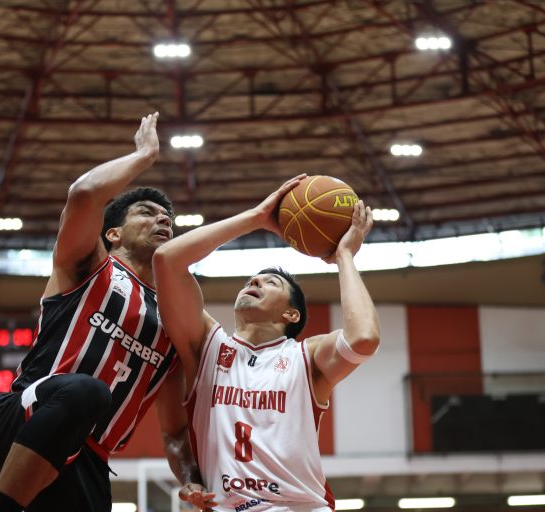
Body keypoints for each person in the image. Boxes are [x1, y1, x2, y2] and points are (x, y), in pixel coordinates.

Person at [0, 113, 208, 512]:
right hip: (21, 418)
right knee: (87, 391)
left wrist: (191, 479)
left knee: (90, 401)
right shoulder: (90, 265)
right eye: (147, 212)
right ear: (112, 233)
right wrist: (143, 156)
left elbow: (173, 432)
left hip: (90, 461)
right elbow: (84, 194)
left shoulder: (174, 321)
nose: (163, 219)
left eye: (167, 217)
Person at [153, 174, 380, 511]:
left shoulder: (307, 357)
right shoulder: (207, 347)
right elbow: (167, 260)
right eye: (250, 280)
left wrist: (345, 256)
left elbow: (363, 339)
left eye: (270, 282)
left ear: (291, 314)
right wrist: (255, 218)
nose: (255, 282)